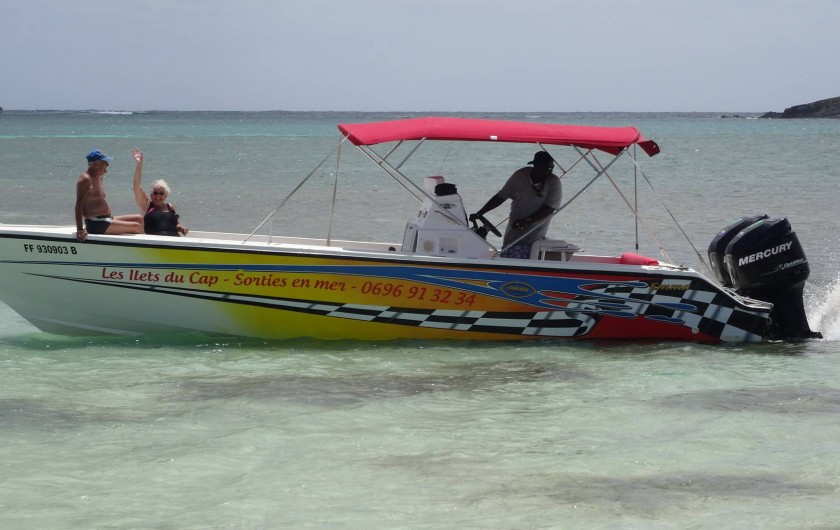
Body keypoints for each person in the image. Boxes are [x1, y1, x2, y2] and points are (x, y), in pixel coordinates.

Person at [470, 150, 562, 259]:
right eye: (547, 168)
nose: (550, 171)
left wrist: (527, 221)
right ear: (536, 166)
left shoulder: (554, 182)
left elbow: (549, 209)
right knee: (507, 257)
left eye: (551, 168)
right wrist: (481, 212)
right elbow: (500, 197)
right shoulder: (520, 175)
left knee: (525, 260)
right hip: (513, 232)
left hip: (534, 234)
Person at [75, 149, 144, 242]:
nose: (107, 165)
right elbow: (79, 205)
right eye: (104, 163)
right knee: (136, 227)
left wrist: (139, 164)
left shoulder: (98, 178)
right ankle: (147, 250)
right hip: (95, 223)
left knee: (139, 218)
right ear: (95, 164)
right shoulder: (85, 179)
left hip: (106, 219)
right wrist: (79, 229)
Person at [131, 148, 188, 237]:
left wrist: (181, 227)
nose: (158, 196)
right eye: (155, 193)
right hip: (156, 244)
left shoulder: (170, 207)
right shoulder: (146, 206)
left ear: (166, 195)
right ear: (151, 194)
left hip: (175, 241)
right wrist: (139, 164)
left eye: (161, 193)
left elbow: (175, 224)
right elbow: (136, 187)